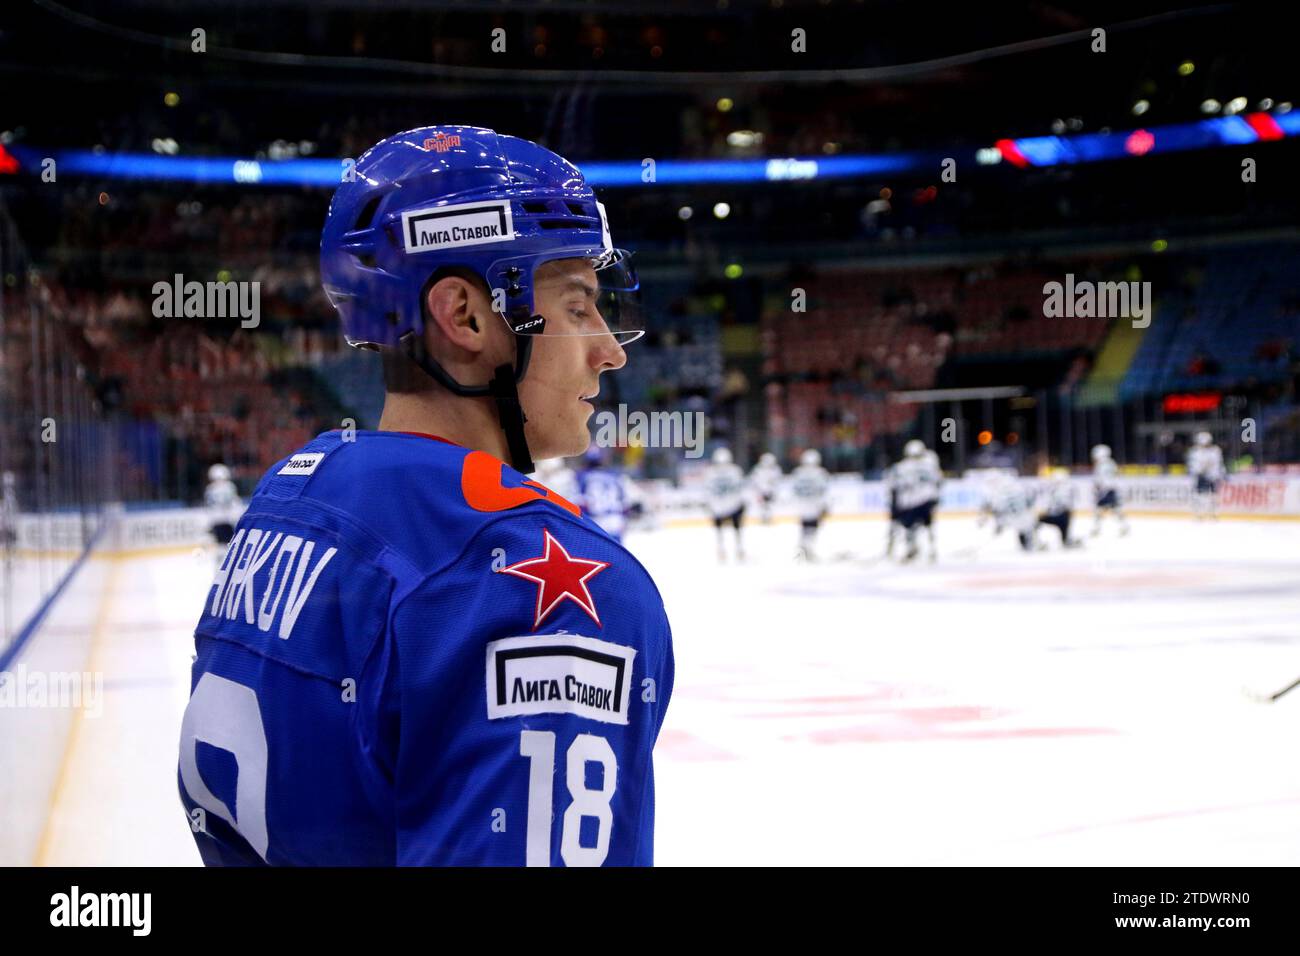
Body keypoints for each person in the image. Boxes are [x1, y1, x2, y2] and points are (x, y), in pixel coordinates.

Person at [178, 126, 674, 867]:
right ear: (465, 317)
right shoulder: (536, 583)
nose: (609, 349)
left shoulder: (291, 499)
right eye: (577, 308)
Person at [890, 439, 941, 562]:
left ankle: (911, 549)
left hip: (908, 503)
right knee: (928, 526)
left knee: (909, 528)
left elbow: (893, 485)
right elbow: (938, 482)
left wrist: (895, 505)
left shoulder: (900, 467)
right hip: (925, 501)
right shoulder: (930, 465)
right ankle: (931, 550)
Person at [575, 446, 629, 542]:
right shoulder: (615, 475)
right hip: (615, 520)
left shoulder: (581, 477)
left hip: (595, 521)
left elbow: (579, 502)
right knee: (615, 555)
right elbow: (625, 503)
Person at [705, 446, 746, 562]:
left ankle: (725, 550)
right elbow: (740, 488)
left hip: (719, 506)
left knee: (723, 531)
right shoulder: (734, 471)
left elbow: (707, 491)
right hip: (731, 504)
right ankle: (737, 550)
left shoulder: (710, 473)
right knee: (735, 530)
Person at [791, 449, 830, 561]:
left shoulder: (798, 473)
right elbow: (823, 491)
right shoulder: (820, 473)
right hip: (814, 504)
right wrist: (825, 505)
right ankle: (808, 549)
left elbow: (794, 490)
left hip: (802, 505)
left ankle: (803, 550)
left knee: (805, 528)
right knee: (813, 528)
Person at [203, 464, 244, 558]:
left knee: (220, 545)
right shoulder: (229, 487)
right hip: (227, 520)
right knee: (228, 545)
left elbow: (208, 507)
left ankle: (219, 563)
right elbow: (235, 503)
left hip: (215, 520)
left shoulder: (209, 489)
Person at [1089, 444, 1128, 536]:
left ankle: (1096, 529)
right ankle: (1124, 526)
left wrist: (1097, 488)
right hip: (1111, 489)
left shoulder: (1101, 464)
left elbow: (1100, 478)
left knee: (1100, 510)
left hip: (1105, 490)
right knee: (1114, 509)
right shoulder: (1111, 463)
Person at [1187, 430, 1225, 520]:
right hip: (1200, 476)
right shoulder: (1195, 452)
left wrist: (1218, 474)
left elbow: (1218, 464)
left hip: (1212, 476)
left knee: (1214, 495)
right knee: (1199, 495)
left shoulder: (1215, 451)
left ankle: (1213, 513)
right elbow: (1193, 465)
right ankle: (1199, 514)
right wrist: (1199, 470)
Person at [749, 452, 782, 524]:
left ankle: (767, 518)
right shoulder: (758, 469)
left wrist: (772, 490)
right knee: (763, 506)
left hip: (770, 492)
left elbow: (777, 482)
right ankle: (764, 518)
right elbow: (754, 481)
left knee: (769, 506)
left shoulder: (776, 470)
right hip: (761, 491)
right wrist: (758, 491)